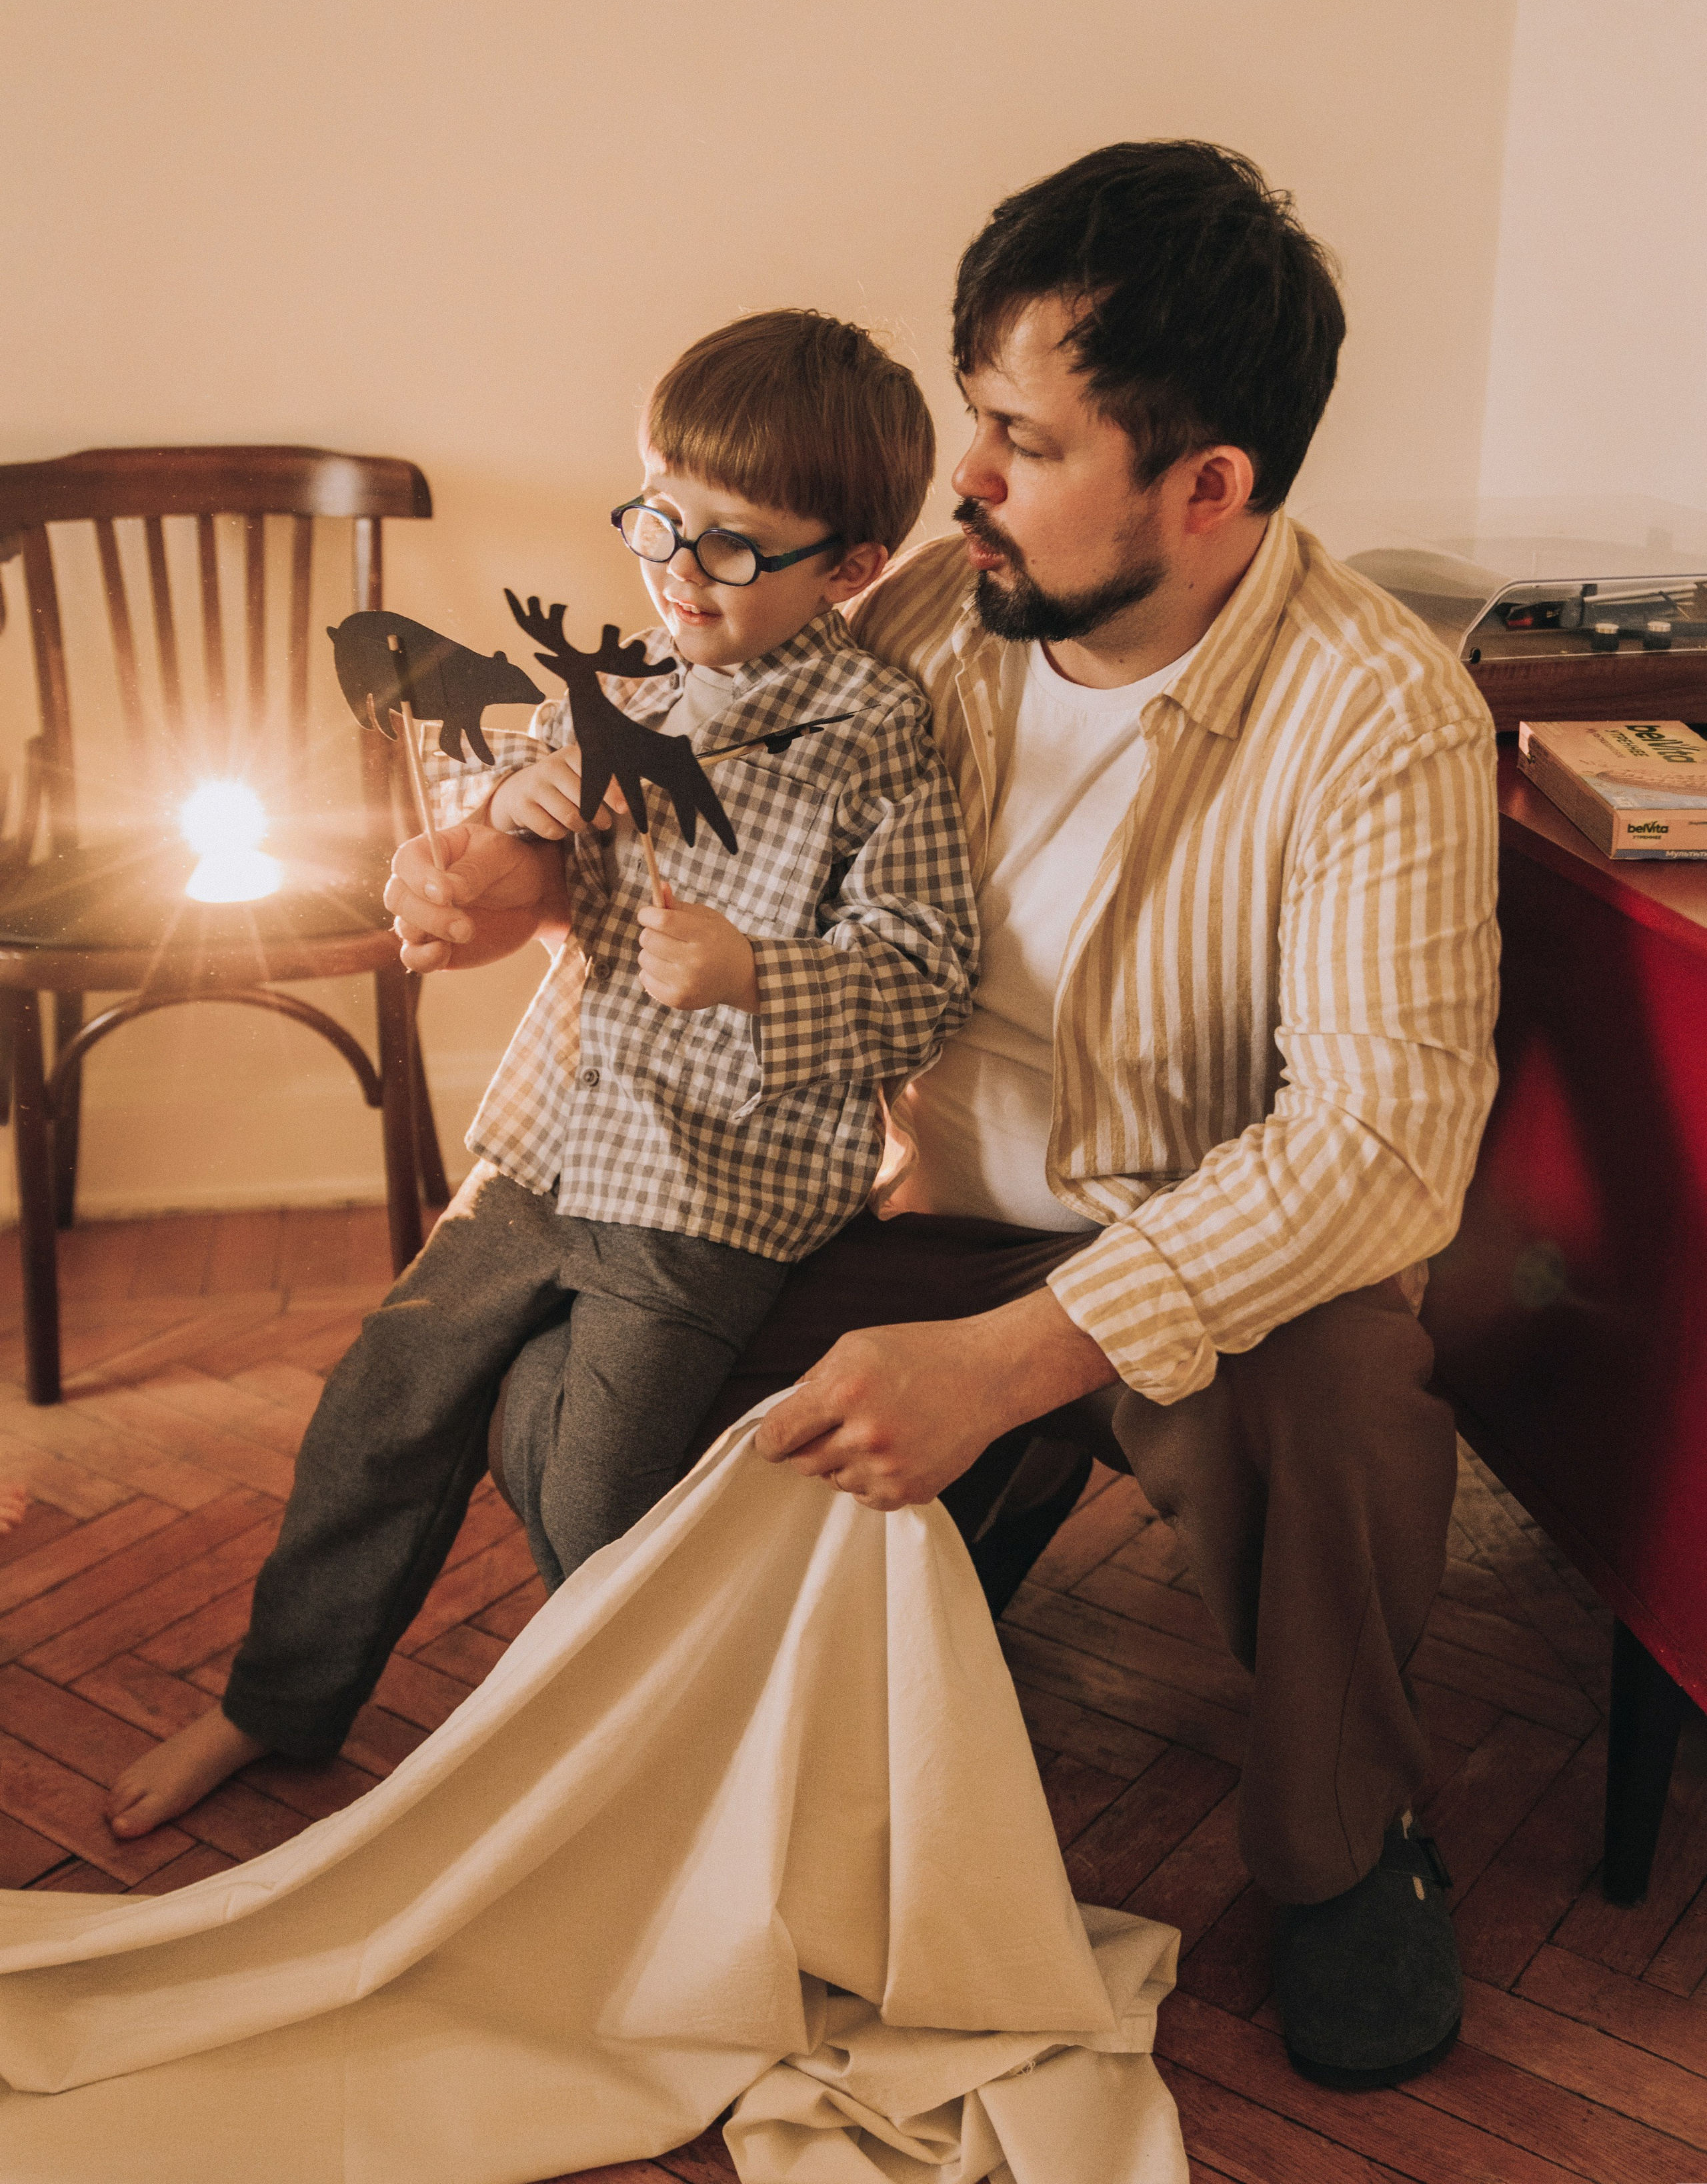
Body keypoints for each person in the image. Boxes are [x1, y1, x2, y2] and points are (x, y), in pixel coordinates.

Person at [383, 143, 1501, 2094]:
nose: (960, 481)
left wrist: (1011, 1364)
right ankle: (907, 1600)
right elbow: (677, 831)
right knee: (573, 1385)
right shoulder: (912, 620)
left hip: (1192, 1253)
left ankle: (1347, 1854)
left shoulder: (1382, 715)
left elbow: (1381, 1151)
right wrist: (520, 899)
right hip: (887, 1215)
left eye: (1017, 438)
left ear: (1205, 488)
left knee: (1350, 1407)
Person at [104, 309, 978, 1839]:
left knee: (595, 1498)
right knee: (376, 1411)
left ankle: (639, 1766)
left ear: (847, 570)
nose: (673, 568)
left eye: (728, 546)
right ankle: (275, 1701)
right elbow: (478, 772)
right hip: (542, 1150)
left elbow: (921, 976)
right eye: (657, 515)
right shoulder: (636, 683)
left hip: (707, 1196)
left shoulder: (873, 736)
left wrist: (759, 970)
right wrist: (513, 789)